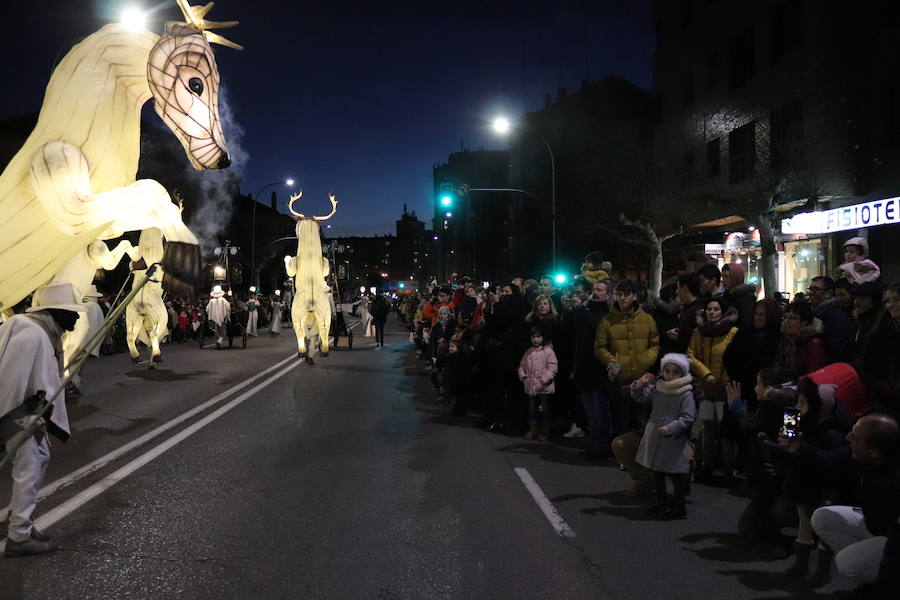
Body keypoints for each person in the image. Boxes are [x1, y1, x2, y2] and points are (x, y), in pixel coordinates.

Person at [0, 283, 84, 557]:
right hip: (19, 413)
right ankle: (19, 536)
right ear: (55, 311)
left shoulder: (39, 330)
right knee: (30, 466)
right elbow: (11, 381)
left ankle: (15, 521)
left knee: (39, 458)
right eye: (71, 313)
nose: (77, 318)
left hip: (26, 411)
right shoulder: (32, 334)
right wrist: (25, 417)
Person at [786, 414, 900, 590]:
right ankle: (872, 570)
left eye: (855, 435)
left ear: (874, 452)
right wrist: (799, 449)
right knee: (823, 518)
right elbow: (826, 461)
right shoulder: (861, 457)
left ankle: (883, 583)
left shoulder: (893, 482)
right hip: (877, 524)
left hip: (894, 538)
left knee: (846, 563)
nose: (847, 437)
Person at [595, 279, 660, 496]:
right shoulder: (607, 321)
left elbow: (655, 344)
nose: (622, 298)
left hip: (643, 380)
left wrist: (645, 360)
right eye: (619, 294)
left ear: (635, 296)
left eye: (626, 294)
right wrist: (612, 362)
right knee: (621, 421)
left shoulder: (647, 319)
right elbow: (600, 347)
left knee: (641, 423)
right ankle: (631, 464)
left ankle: (645, 468)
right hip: (621, 379)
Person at [631, 353, 696, 520]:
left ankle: (679, 507)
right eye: (667, 371)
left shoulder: (685, 393)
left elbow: (688, 417)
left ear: (682, 374)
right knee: (657, 473)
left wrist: (672, 428)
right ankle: (661, 503)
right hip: (656, 436)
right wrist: (640, 384)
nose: (670, 375)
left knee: (675, 474)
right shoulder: (658, 388)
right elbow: (640, 397)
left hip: (673, 439)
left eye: (675, 372)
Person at [686, 297, 739, 482]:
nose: (712, 312)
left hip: (725, 389)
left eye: (716, 309)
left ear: (723, 312)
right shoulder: (698, 332)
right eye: (709, 309)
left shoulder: (732, 332)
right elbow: (690, 355)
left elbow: (733, 359)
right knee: (707, 428)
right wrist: (706, 374)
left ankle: (728, 469)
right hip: (706, 387)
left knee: (725, 430)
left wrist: (723, 379)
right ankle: (706, 466)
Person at [572, 280, 612, 459]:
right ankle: (593, 443)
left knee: (599, 411)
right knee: (589, 411)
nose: (595, 293)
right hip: (584, 367)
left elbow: (596, 329)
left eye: (600, 290)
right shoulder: (586, 310)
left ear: (609, 295)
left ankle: (601, 446)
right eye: (595, 289)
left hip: (598, 370)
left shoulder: (608, 314)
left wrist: (580, 309)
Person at [518, 327, 559, 441]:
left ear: (543, 337)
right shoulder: (529, 351)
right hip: (531, 386)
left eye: (538, 337)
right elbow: (522, 365)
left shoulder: (548, 351)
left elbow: (552, 368)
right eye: (533, 337)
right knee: (532, 410)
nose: (535, 339)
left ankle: (546, 432)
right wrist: (524, 377)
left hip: (544, 387)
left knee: (546, 410)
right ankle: (533, 430)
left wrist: (542, 381)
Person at [775, 301, 828, 378]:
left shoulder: (814, 343)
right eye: (786, 317)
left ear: (805, 322)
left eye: (793, 318)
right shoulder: (786, 340)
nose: (787, 322)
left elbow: (812, 376)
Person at [807, 276, 852, 362]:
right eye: (810, 289)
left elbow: (835, 349)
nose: (811, 293)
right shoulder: (820, 312)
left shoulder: (835, 314)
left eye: (815, 289)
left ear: (829, 292)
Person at [721, 263, 757, 329]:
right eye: (722, 277)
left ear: (736, 277)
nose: (723, 280)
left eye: (726, 277)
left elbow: (745, 325)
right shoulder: (727, 296)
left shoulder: (746, 299)